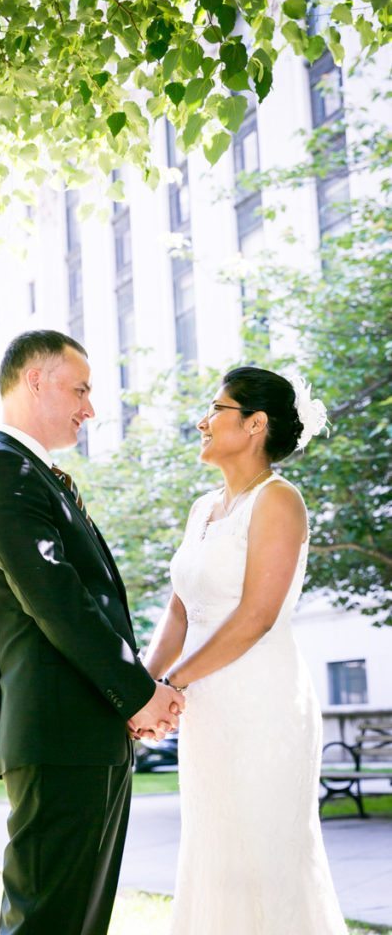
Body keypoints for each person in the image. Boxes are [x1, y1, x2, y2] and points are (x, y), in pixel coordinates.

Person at [0, 329, 184, 935]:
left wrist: (130, 703)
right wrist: (141, 693)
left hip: (85, 733)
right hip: (58, 737)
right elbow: (60, 603)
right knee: (48, 922)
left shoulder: (35, 473)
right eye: (80, 389)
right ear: (36, 380)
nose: (90, 408)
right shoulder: (2, 473)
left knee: (79, 920)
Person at [142, 366, 347, 935]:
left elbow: (256, 617)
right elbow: (179, 611)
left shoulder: (280, 501)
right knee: (214, 854)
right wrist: (138, 690)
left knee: (264, 855)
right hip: (207, 708)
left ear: (255, 424)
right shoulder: (202, 509)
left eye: (217, 408)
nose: (203, 422)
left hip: (263, 701)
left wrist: (171, 685)